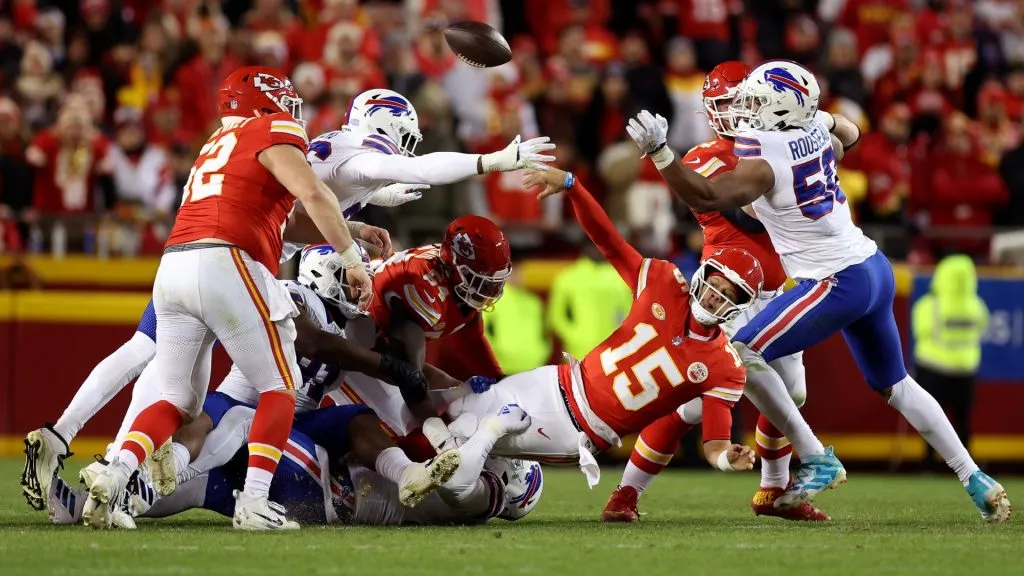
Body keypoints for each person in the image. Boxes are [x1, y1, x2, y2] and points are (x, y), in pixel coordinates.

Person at [625, 60, 1011, 523]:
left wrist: (661, 154)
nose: (746, 107)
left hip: (834, 279)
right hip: (872, 265)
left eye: (755, 100)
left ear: (780, 108)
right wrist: (823, 117)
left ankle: (814, 456)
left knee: (738, 352)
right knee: (897, 385)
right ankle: (974, 477)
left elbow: (708, 197)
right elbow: (848, 134)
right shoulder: (809, 125)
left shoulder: (766, 159)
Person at [81, 65, 373, 531]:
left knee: (178, 399)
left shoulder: (215, 146)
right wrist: (352, 258)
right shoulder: (273, 127)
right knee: (280, 384)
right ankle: (254, 502)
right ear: (263, 103)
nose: (292, 112)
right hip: (228, 259)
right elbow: (314, 194)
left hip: (174, 263)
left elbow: (283, 218)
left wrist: (350, 228)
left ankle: (117, 473)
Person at [438, 164, 761, 488]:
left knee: (464, 436)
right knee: (449, 407)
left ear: (741, 304)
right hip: (557, 379)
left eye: (730, 295)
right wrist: (572, 185)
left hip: (578, 426)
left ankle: (405, 485)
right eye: (717, 286)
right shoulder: (663, 282)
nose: (717, 298)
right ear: (704, 276)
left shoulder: (726, 367)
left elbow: (715, 442)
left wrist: (726, 458)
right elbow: (609, 241)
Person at [602, 61, 823, 523]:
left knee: (793, 393)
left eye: (739, 103)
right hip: (725, 293)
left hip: (777, 288)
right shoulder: (707, 157)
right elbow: (746, 213)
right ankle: (625, 494)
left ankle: (773, 491)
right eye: (723, 105)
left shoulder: (777, 146)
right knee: (689, 405)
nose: (732, 113)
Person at [46, 403, 543, 528]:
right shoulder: (475, 488)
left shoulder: (477, 499)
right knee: (207, 486)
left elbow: (460, 479)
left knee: (243, 417)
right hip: (324, 499)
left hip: (330, 490)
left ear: (509, 482)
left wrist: (495, 429)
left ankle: (134, 484)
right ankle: (92, 504)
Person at [284, 88, 556, 259]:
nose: (404, 145)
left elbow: (327, 188)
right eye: (403, 134)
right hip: (262, 248)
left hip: (276, 238)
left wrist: (372, 197)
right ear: (383, 123)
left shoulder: (339, 141)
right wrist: (491, 161)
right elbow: (423, 169)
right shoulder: (363, 157)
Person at [912, 255, 989, 467]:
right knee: (963, 419)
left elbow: (920, 331)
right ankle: (966, 465)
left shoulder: (929, 305)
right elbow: (982, 328)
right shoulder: (977, 305)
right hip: (966, 369)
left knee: (933, 418)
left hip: (932, 367)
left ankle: (929, 462)